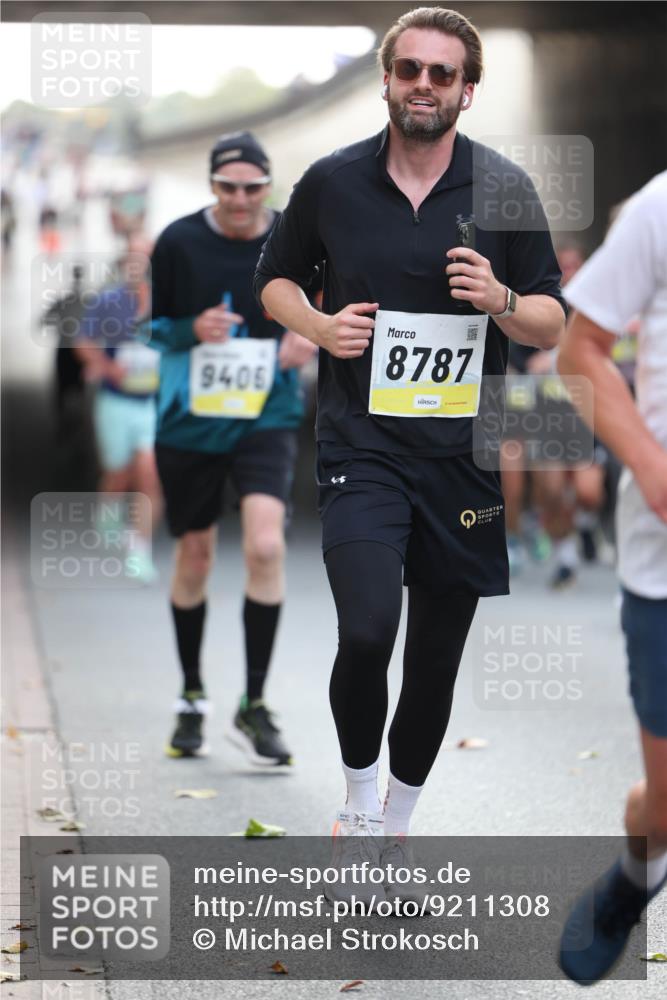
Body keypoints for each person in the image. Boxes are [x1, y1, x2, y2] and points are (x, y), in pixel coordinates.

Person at [255, 5, 565, 883]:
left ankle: (395, 828)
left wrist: (501, 297)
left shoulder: (503, 189)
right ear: (387, 80)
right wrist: (318, 324)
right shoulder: (330, 182)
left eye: (441, 74)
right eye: (409, 70)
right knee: (365, 630)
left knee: (431, 662)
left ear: (467, 90)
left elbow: (548, 320)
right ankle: (356, 808)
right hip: (363, 448)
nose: (423, 86)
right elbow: (273, 278)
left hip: (461, 460)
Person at [149, 131, 316, 764]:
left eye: (252, 187)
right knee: (194, 556)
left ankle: (253, 703)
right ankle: (192, 694)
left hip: (266, 414)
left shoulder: (296, 237)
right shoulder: (179, 241)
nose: (241, 199)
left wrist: (311, 334)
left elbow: (329, 298)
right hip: (189, 421)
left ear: (268, 185)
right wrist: (191, 329)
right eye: (228, 187)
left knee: (266, 544)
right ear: (212, 186)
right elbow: (151, 327)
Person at [557, 171, 667, 984]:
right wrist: (652, 470)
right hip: (661, 559)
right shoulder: (661, 207)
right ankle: (635, 874)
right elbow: (578, 348)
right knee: (662, 807)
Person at [76, 236, 161, 584]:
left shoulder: (168, 302)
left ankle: (139, 549)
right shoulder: (108, 301)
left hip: (153, 405)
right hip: (116, 401)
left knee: (149, 472)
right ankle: (109, 510)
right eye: (133, 260)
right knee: (119, 473)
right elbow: (83, 341)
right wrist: (107, 367)